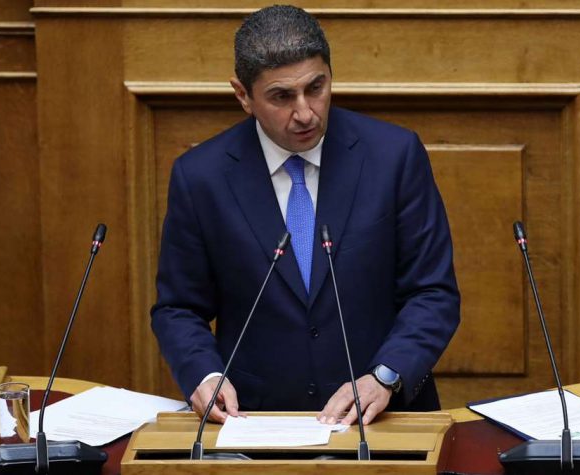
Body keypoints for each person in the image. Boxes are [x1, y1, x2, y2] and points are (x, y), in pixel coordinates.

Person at [151, 5, 460, 426]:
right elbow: (178, 307)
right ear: (243, 95)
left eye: (316, 87)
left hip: (383, 418)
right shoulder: (201, 177)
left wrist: (386, 376)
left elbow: (433, 293)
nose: (305, 113)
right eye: (282, 97)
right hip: (256, 423)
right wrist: (204, 375)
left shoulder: (393, 157)